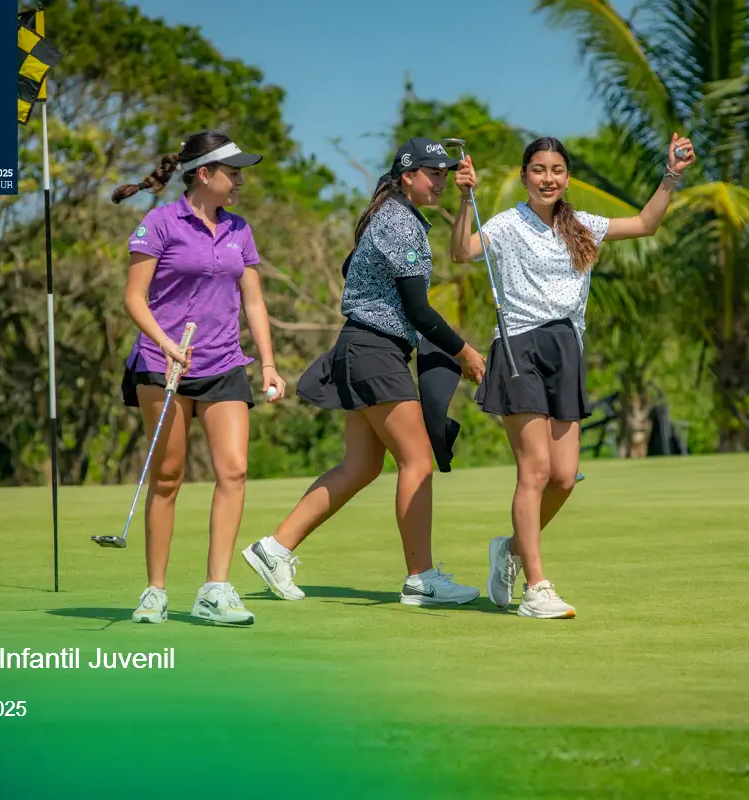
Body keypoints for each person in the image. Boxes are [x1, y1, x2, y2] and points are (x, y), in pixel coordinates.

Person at [450, 133, 696, 619]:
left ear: (567, 178)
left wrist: (671, 175)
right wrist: (464, 199)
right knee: (536, 470)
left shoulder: (580, 224)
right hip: (519, 347)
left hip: (566, 350)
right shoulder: (505, 223)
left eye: (557, 170)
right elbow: (462, 251)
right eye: (538, 170)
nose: (548, 178)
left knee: (564, 477)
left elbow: (645, 224)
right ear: (525, 176)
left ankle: (512, 550)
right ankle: (536, 587)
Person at [242, 137, 486, 606]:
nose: (439, 181)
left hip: (363, 348)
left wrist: (464, 197)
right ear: (407, 176)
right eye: (432, 174)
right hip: (375, 351)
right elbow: (418, 309)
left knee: (362, 466)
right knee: (417, 461)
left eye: (444, 173)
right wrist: (465, 352)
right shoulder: (400, 221)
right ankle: (421, 578)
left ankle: (274, 548)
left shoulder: (394, 216)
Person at [111, 130, 287, 626]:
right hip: (161, 362)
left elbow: (254, 302)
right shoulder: (159, 223)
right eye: (233, 173)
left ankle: (215, 588)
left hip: (224, 363)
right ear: (204, 174)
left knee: (234, 470)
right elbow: (134, 298)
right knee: (168, 477)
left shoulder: (239, 229)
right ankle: (155, 591)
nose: (240, 182)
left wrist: (268, 363)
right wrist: (166, 345)